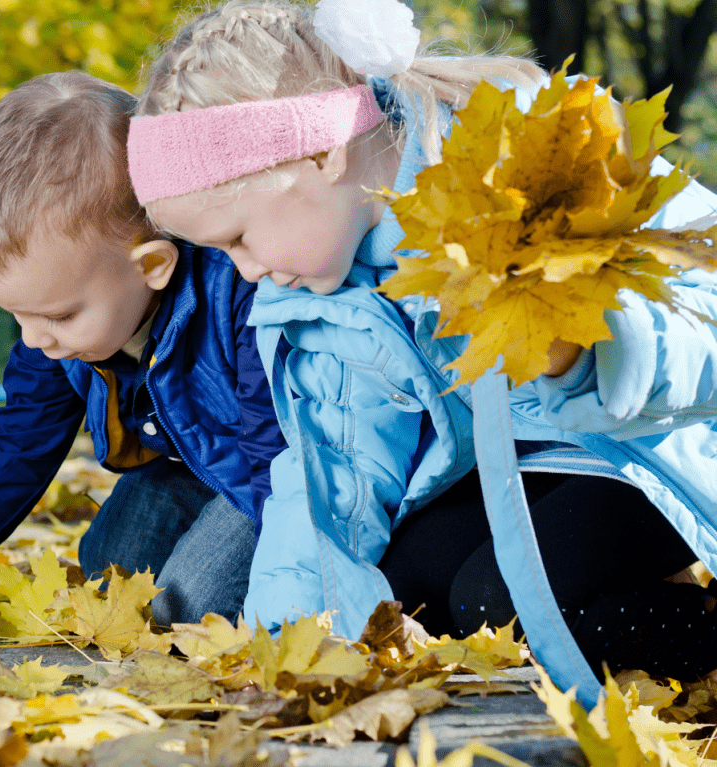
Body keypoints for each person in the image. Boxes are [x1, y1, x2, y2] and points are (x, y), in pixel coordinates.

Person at [126, 0, 717, 688]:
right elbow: (333, 480)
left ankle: (698, 633)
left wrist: (588, 354)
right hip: (521, 471)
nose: (245, 271)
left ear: (321, 153)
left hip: (652, 451)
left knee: (499, 601)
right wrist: (281, 645)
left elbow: (697, 311)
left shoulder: (526, 154)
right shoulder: (320, 288)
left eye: (238, 238)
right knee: (404, 596)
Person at [0, 71, 285, 628]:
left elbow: (278, 462)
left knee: (188, 603)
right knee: (109, 566)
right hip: (190, 472)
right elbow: (17, 440)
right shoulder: (58, 321)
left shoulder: (234, 288)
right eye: (16, 316)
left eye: (54, 316)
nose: (32, 339)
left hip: (272, 478)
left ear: (152, 266)